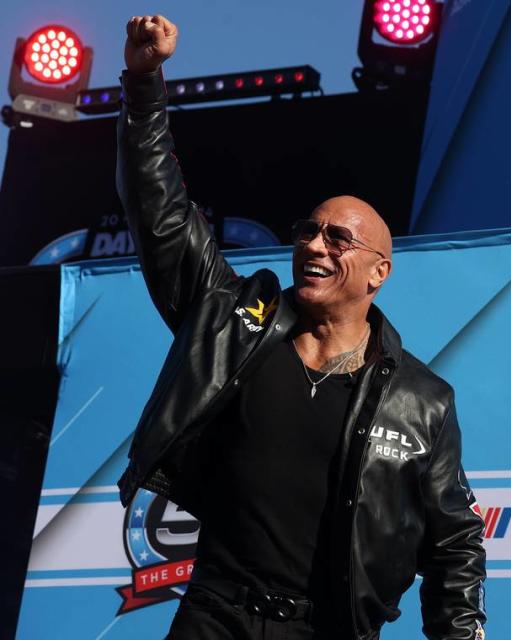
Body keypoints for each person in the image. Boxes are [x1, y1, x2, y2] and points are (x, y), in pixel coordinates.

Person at [116, 15, 487, 640]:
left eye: (338, 238)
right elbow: (161, 215)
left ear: (378, 273)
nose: (314, 245)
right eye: (308, 231)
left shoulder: (421, 402)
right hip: (214, 616)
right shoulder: (234, 324)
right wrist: (144, 83)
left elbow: (454, 543)